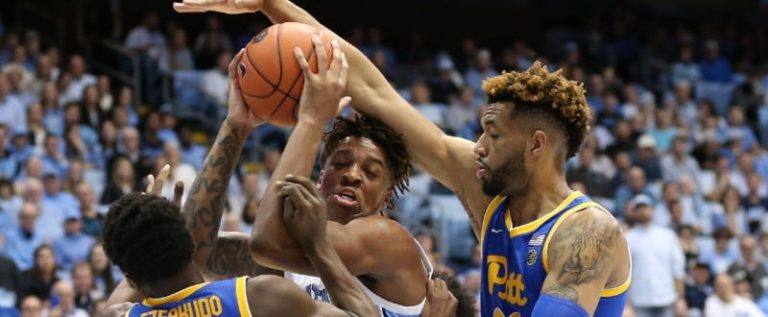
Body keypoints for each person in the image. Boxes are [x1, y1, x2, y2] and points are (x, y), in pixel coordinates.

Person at [173, 2, 631, 316]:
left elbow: (269, 241)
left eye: (492, 134)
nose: (480, 146)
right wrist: (271, 7)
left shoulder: (587, 232)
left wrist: (311, 121)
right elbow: (372, 91)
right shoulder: (485, 190)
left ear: (535, 146)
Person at [245, 37, 432, 316]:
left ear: (387, 196)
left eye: (370, 172)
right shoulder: (295, 250)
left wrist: (311, 119)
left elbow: (267, 240)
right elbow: (199, 254)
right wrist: (235, 126)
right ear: (320, 179)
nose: (352, 175)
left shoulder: (388, 239)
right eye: (341, 164)